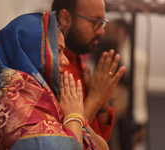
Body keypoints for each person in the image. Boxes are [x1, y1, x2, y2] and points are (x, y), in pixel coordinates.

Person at [0, 12, 109, 150]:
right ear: (30, 53)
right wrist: (74, 117)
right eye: (58, 52)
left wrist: (77, 114)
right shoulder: (16, 108)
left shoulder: (49, 102)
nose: (65, 61)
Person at [52, 0, 126, 142]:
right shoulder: (50, 69)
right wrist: (96, 98)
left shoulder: (80, 66)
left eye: (102, 22)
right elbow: (64, 141)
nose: (102, 31)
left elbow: (98, 140)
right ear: (65, 18)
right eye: (95, 22)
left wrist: (102, 102)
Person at [91, 19, 149, 150]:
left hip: (128, 113)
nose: (109, 34)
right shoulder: (111, 50)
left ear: (125, 33)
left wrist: (139, 123)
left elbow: (138, 90)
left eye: (114, 31)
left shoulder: (136, 57)